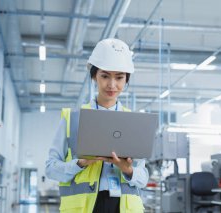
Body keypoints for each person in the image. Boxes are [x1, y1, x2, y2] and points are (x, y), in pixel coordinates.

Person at [46, 38, 148, 213]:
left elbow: (143, 178)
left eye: (119, 77)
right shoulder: (73, 119)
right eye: (105, 76)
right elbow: (50, 169)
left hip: (123, 208)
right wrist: (80, 163)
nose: (112, 84)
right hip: (84, 208)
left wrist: (128, 170)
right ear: (94, 76)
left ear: (126, 80)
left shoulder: (133, 122)